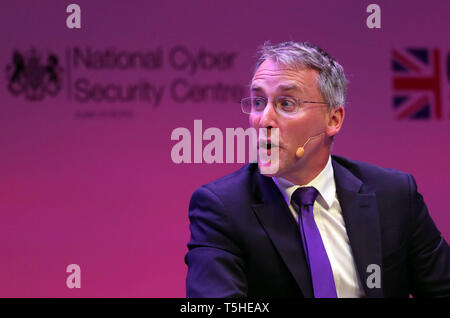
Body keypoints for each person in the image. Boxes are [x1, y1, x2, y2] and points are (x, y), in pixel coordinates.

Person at [184, 41, 450, 298]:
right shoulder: (222, 208)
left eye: (286, 104)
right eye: (258, 102)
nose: (263, 119)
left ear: (333, 119)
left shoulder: (394, 195)